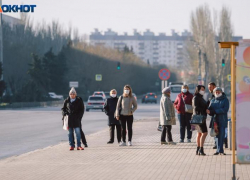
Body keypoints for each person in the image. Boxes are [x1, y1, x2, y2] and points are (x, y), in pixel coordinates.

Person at [207, 87, 229, 155]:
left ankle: (221, 150)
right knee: (216, 135)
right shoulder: (212, 100)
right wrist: (209, 111)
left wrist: (215, 111)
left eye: (219, 91)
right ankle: (217, 150)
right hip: (215, 121)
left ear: (221, 92)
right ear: (214, 93)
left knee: (222, 135)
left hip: (222, 120)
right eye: (216, 92)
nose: (217, 92)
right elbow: (210, 110)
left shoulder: (225, 100)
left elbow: (225, 109)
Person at [192, 85, 208, 155]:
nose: (203, 90)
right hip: (199, 117)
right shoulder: (196, 97)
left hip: (198, 117)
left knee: (199, 133)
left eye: (204, 89)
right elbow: (196, 107)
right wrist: (205, 109)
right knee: (204, 133)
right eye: (201, 89)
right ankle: (201, 149)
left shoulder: (200, 97)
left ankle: (198, 149)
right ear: (198, 90)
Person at [207, 82, 217, 149]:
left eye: (210, 87)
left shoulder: (217, 94)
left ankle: (218, 143)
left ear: (214, 87)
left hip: (217, 115)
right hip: (213, 115)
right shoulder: (211, 95)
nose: (209, 89)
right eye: (208, 88)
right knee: (215, 130)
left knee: (217, 129)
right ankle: (216, 143)